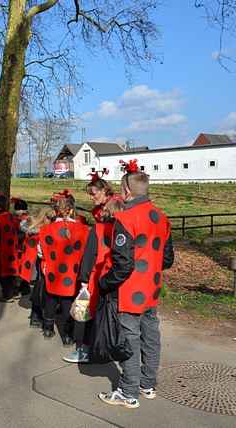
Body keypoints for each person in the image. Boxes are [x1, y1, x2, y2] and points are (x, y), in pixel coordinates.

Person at [98, 160, 174, 409]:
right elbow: (167, 258)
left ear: (126, 191)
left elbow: (122, 265)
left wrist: (104, 283)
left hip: (130, 291)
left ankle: (129, 391)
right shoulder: (162, 217)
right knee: (151, 335)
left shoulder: (125, 219)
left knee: (130, 338)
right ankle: (148, 384)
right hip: (151, 288)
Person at [62, 195, 125, 364]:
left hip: (97, 278)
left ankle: (85, 350)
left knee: (86, 316)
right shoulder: (128, 229)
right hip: (120, 280)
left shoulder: (98, 230)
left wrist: (83, 279)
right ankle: (109, 349)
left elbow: (88, 257)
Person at [38, 190, 89, 344]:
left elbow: (40, 252)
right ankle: (67, 335)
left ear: (56, 210)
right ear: (72, 210)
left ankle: (48, 328)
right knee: (68, 301)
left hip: (53, 270)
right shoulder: (83, 230)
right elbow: (86, 252)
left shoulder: (46, 229)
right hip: (73, 272)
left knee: (51, 299)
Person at [18, 208, 54, 328]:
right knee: (40, 288)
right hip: (38, 261)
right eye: (50, 218)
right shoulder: (40, 231)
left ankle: (36, 314)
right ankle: (36, 315)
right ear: (45, 217)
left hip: (37, 261)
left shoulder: (35, 228)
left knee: (40, 287)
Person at [0, 194, 19, 303]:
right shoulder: (10, 216)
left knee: (2, 272)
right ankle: (14, 291)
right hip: (12, 247)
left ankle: (7, 295)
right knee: (11, 271)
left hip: (2, 249)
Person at [12, 197, 32, 297]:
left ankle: (18, 288)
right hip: (27, 247)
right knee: (25, 268)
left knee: (17, 268)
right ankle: (25, 287)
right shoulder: (29, 218)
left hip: (19, 247)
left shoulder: (17, 220)